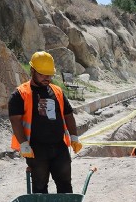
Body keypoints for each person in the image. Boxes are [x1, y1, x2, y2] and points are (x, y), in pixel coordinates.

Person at [8, 51, 82, 193]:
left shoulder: (57, 91)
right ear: (32, 70)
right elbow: (15, 121)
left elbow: (68, 115)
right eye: (42, 74)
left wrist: (74, 137)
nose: (47, 78)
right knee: (40, 186)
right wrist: (23, 144)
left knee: (65, 185)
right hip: (36, 149)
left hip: (59, 147)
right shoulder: (20, 93)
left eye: (49, 74)